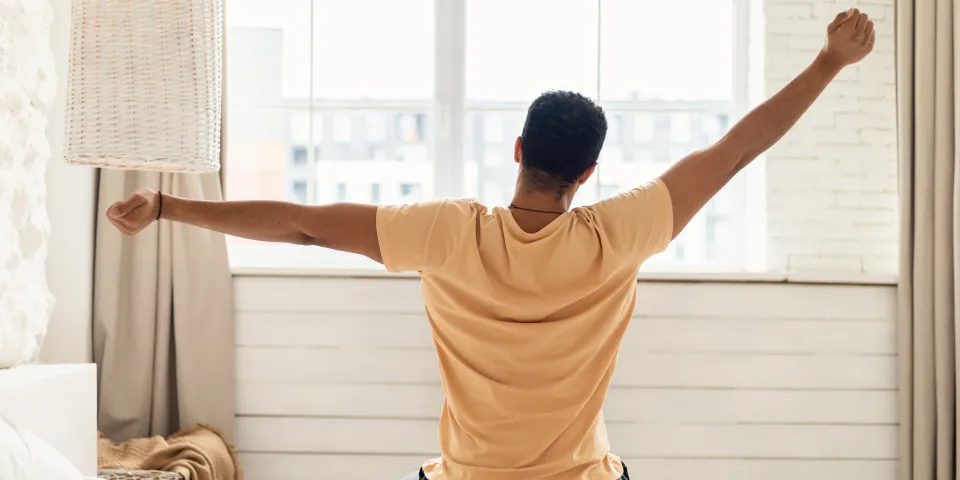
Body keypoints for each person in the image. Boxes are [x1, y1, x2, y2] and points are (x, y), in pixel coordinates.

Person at [108, 9, 875, 480]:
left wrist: (170, 204)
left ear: (517, 149)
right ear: (589, 172)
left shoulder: (447, 233)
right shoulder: (619, 232)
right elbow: (738, 150)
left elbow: (304, 223)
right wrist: (828, 63)